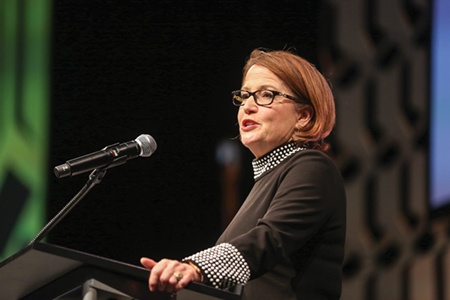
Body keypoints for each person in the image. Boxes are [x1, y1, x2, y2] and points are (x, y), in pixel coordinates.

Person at [140, 48, 346, 300]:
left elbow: (269, 240)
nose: (247, 106)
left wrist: (194, 268)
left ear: (303, 116)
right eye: (245, 96)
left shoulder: (313, 166)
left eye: (266, 95)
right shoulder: (266, 181)